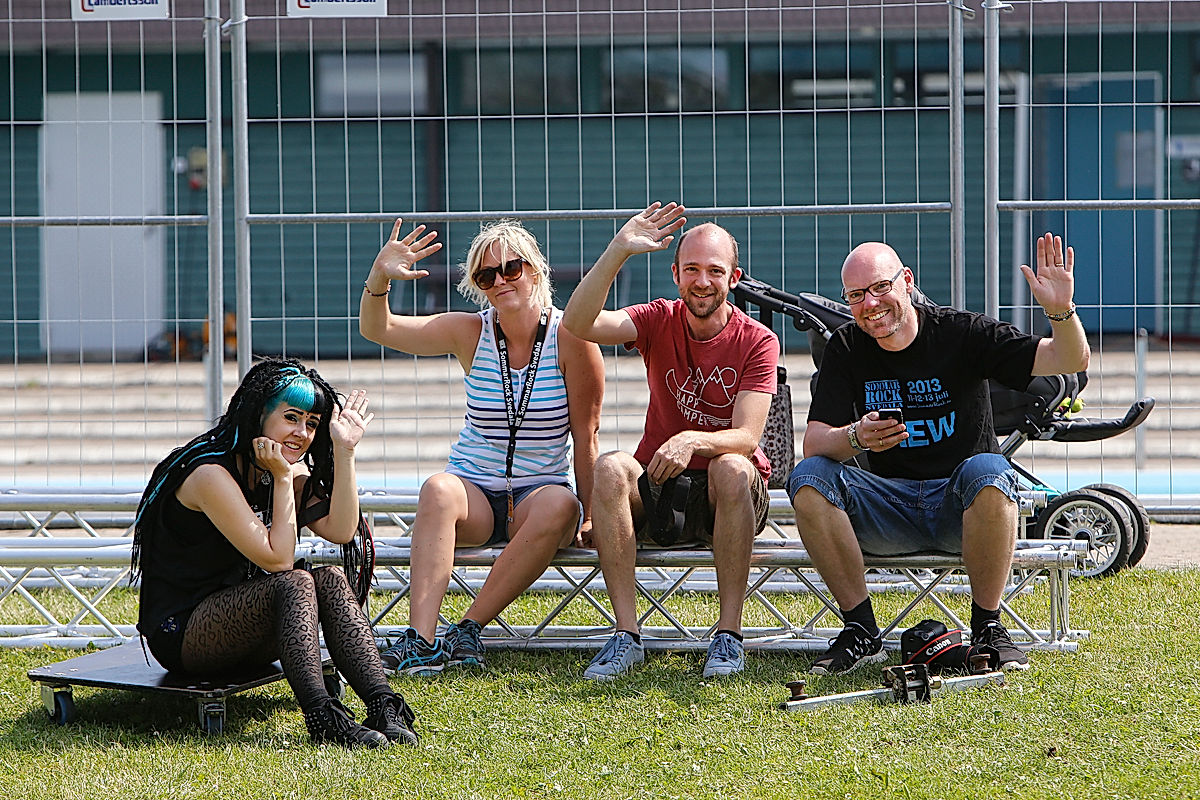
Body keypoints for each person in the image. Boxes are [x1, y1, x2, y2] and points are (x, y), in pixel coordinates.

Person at [788, 232, 1090, 675]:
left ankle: (988, 628)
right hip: (887, 508)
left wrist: (1060, 312)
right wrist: (857, 437)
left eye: (879, 288)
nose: (869, 305)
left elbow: (1069, 359)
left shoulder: (962, 333)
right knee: (810, 476)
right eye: (856, 295)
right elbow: (814, 443)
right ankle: (860, 630)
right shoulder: (847, 345)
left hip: (960, 509)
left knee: (989, 468)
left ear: (906, 281)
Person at [359, 217, 604, 675]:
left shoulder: (572, 337)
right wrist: (379, 278)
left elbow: (585, 435)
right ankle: (422, 639)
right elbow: (379, 330)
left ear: (535, 270)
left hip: (536, 496)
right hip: (475, 494)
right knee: (437, 488)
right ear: (477, 286)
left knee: (562, 507)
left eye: (511, 268)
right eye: (486, 275)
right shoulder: (469, 331)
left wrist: (590, 514)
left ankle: (467, 627)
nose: (501, 281)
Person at [132, 358, 417, 749]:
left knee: (330, 578)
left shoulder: (281, 468)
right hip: (184, 634)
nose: (302, 433)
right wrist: (283, 477)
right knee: (295, 582)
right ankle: (323, 718)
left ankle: (385, 706)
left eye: (312, 424)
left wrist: (344, 451)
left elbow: (342, 529)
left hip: (245, 625)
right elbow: (278, 560)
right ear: (258, 414)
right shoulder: (210, 475)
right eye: (291, 418)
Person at [562, 202, 779, 680]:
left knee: (730, 465)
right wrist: (619, 249)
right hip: (662, 484)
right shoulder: (658, 318)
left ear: (734, 278)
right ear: (676, 274)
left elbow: (746, 438)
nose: (703, 281)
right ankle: (626, 635)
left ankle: (728, 636)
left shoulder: (759, 339)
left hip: (730, 493)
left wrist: (690, 439)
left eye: (715, 271)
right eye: (693, 270)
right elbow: (577, 324)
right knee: (612, 467)